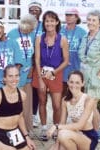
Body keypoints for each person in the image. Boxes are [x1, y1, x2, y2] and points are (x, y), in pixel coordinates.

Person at [0, 65, 36, 150]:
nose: (14, 79)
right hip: (0, 134)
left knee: (30, 148)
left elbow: (20, 117)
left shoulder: (22, 95)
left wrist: (27, 137)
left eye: (16, 76)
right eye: (10, 76)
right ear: (4, 78)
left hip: (15, 132)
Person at [32, 10, 69, 141]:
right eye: (47, 21)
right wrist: (41, 80)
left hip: (56, 72)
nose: (49, 23)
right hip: (41, 72)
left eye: (52, 21)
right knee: (42, 101)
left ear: (57, 22)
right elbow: (36, 59)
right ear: (44, 23)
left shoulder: (62, 39)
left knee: (56, 105)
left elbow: (66, 61)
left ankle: (55, 127)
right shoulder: (39, 38)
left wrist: (54, 72)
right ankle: (43, 128)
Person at [78, 10, 100, 141]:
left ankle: (96, 134)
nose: (91, 22)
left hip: (97, 79)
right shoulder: (86, 37)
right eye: (89, 19)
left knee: (91, 106)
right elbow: (83, 57)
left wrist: (98, 77)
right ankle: (91, 131)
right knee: (89, 106)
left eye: (94, 20)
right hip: (86, 78)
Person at [47, 71, 98, 150]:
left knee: (63, 134)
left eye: (77, 83)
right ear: (67, 82)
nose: (74, 85)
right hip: (74, 134)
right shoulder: (65, 100)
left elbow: (79, 125)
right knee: (56, 148)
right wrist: (56, 145)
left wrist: (55, 126)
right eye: (71, 82)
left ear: (82, 83)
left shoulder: (88, 100)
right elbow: (62, 123)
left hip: (88, 137)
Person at [8, 14, 37, 132]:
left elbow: (34, 54)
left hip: (28, 74)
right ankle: (13, 128)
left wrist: (32, 69)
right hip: (16, 74)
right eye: (25, 30)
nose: (27, 32)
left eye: (29, 30)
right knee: (14, 102)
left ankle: (26, 128)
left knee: (26, 103)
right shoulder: (11, 34)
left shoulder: (33, 34)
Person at [60, 8, 87, 97]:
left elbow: (85, 51)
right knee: (62, 95)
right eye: (66, 15)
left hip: (76, 67)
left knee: (76, 95)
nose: (68, 17)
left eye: (70, 15)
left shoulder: (82, 32)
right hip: (62, 69)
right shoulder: (60, 30)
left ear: (76, 17)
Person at [27, 0, 43, 129]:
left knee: (38, 89)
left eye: (36, 10)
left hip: (41, 62)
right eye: (31, 10)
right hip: (28, 61)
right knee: (29, 88)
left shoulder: (44, 25)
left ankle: (35, 114)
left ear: (40, 12)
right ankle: (28, 113)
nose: (33, 12)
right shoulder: (26, 25)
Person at [0, 20, 16, 90]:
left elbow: (18, 61)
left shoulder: (13, 42)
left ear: (3, 28)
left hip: (11, 74)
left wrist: (13, 76)